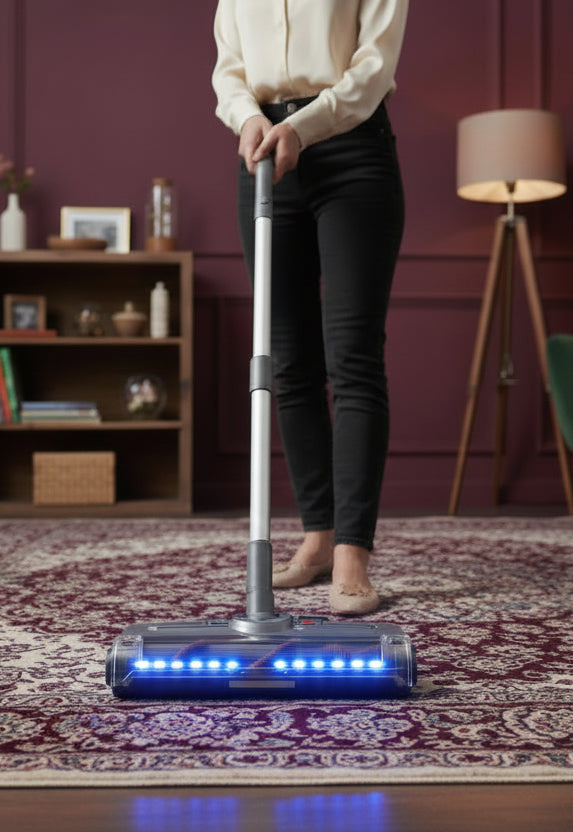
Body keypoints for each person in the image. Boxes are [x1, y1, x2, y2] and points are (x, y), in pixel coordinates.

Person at [212, 0, 408, 615]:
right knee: (288, 360)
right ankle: (318, 537)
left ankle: (353, 554)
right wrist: (247, 119)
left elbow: (373, 68)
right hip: (264, 153)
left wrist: (306, 126)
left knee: (351, 357)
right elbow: (229, 69)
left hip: (352, 151)